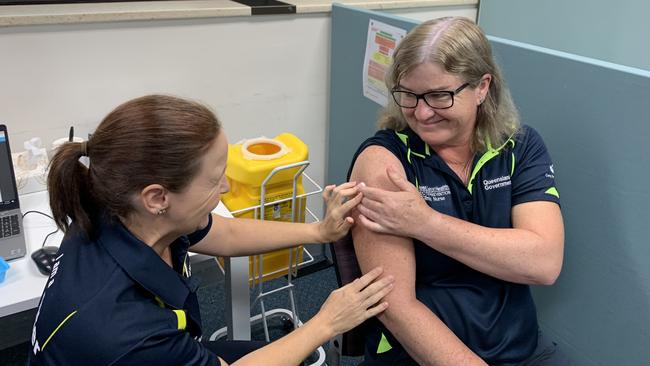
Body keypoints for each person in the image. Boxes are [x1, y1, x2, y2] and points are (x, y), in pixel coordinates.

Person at [29, 95, 394, 365]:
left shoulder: (123, 209)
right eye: (215, 179)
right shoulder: (126, 333)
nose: (224, 189)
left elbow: (228, 235)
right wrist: (327, 322)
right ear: (158, 197)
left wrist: (318, 232)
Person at [348, 17, 567, 365]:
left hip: (518, 345)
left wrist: (425, 224)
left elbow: (544, 263)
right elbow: (396, 306)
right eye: (408, 94)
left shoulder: (520, 147)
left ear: (482, 87)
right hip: (418, 353)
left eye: (439, 95)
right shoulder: (386, 162)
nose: (421, 112)